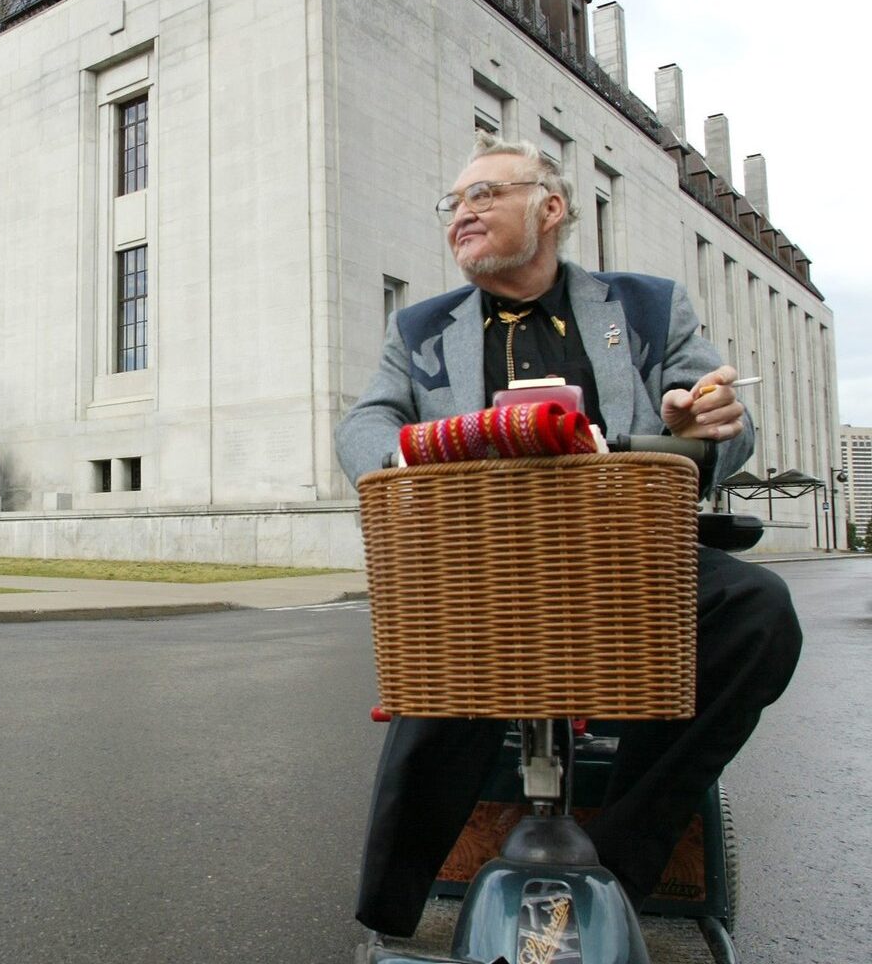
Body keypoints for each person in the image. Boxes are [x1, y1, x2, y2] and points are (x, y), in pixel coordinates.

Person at [334, 131, 803, 944]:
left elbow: (723, 419)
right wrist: (408, 457)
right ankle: (393, 913)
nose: (461, 213)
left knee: (759, 611)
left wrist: (696, 425)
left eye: (485, 194)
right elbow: (365, 422)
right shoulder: (420, 330)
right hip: (484, 565)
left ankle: (617, 862)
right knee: (442, 661)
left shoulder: (648, 307)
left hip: (626, 559)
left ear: (550, 208)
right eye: (453, 202)